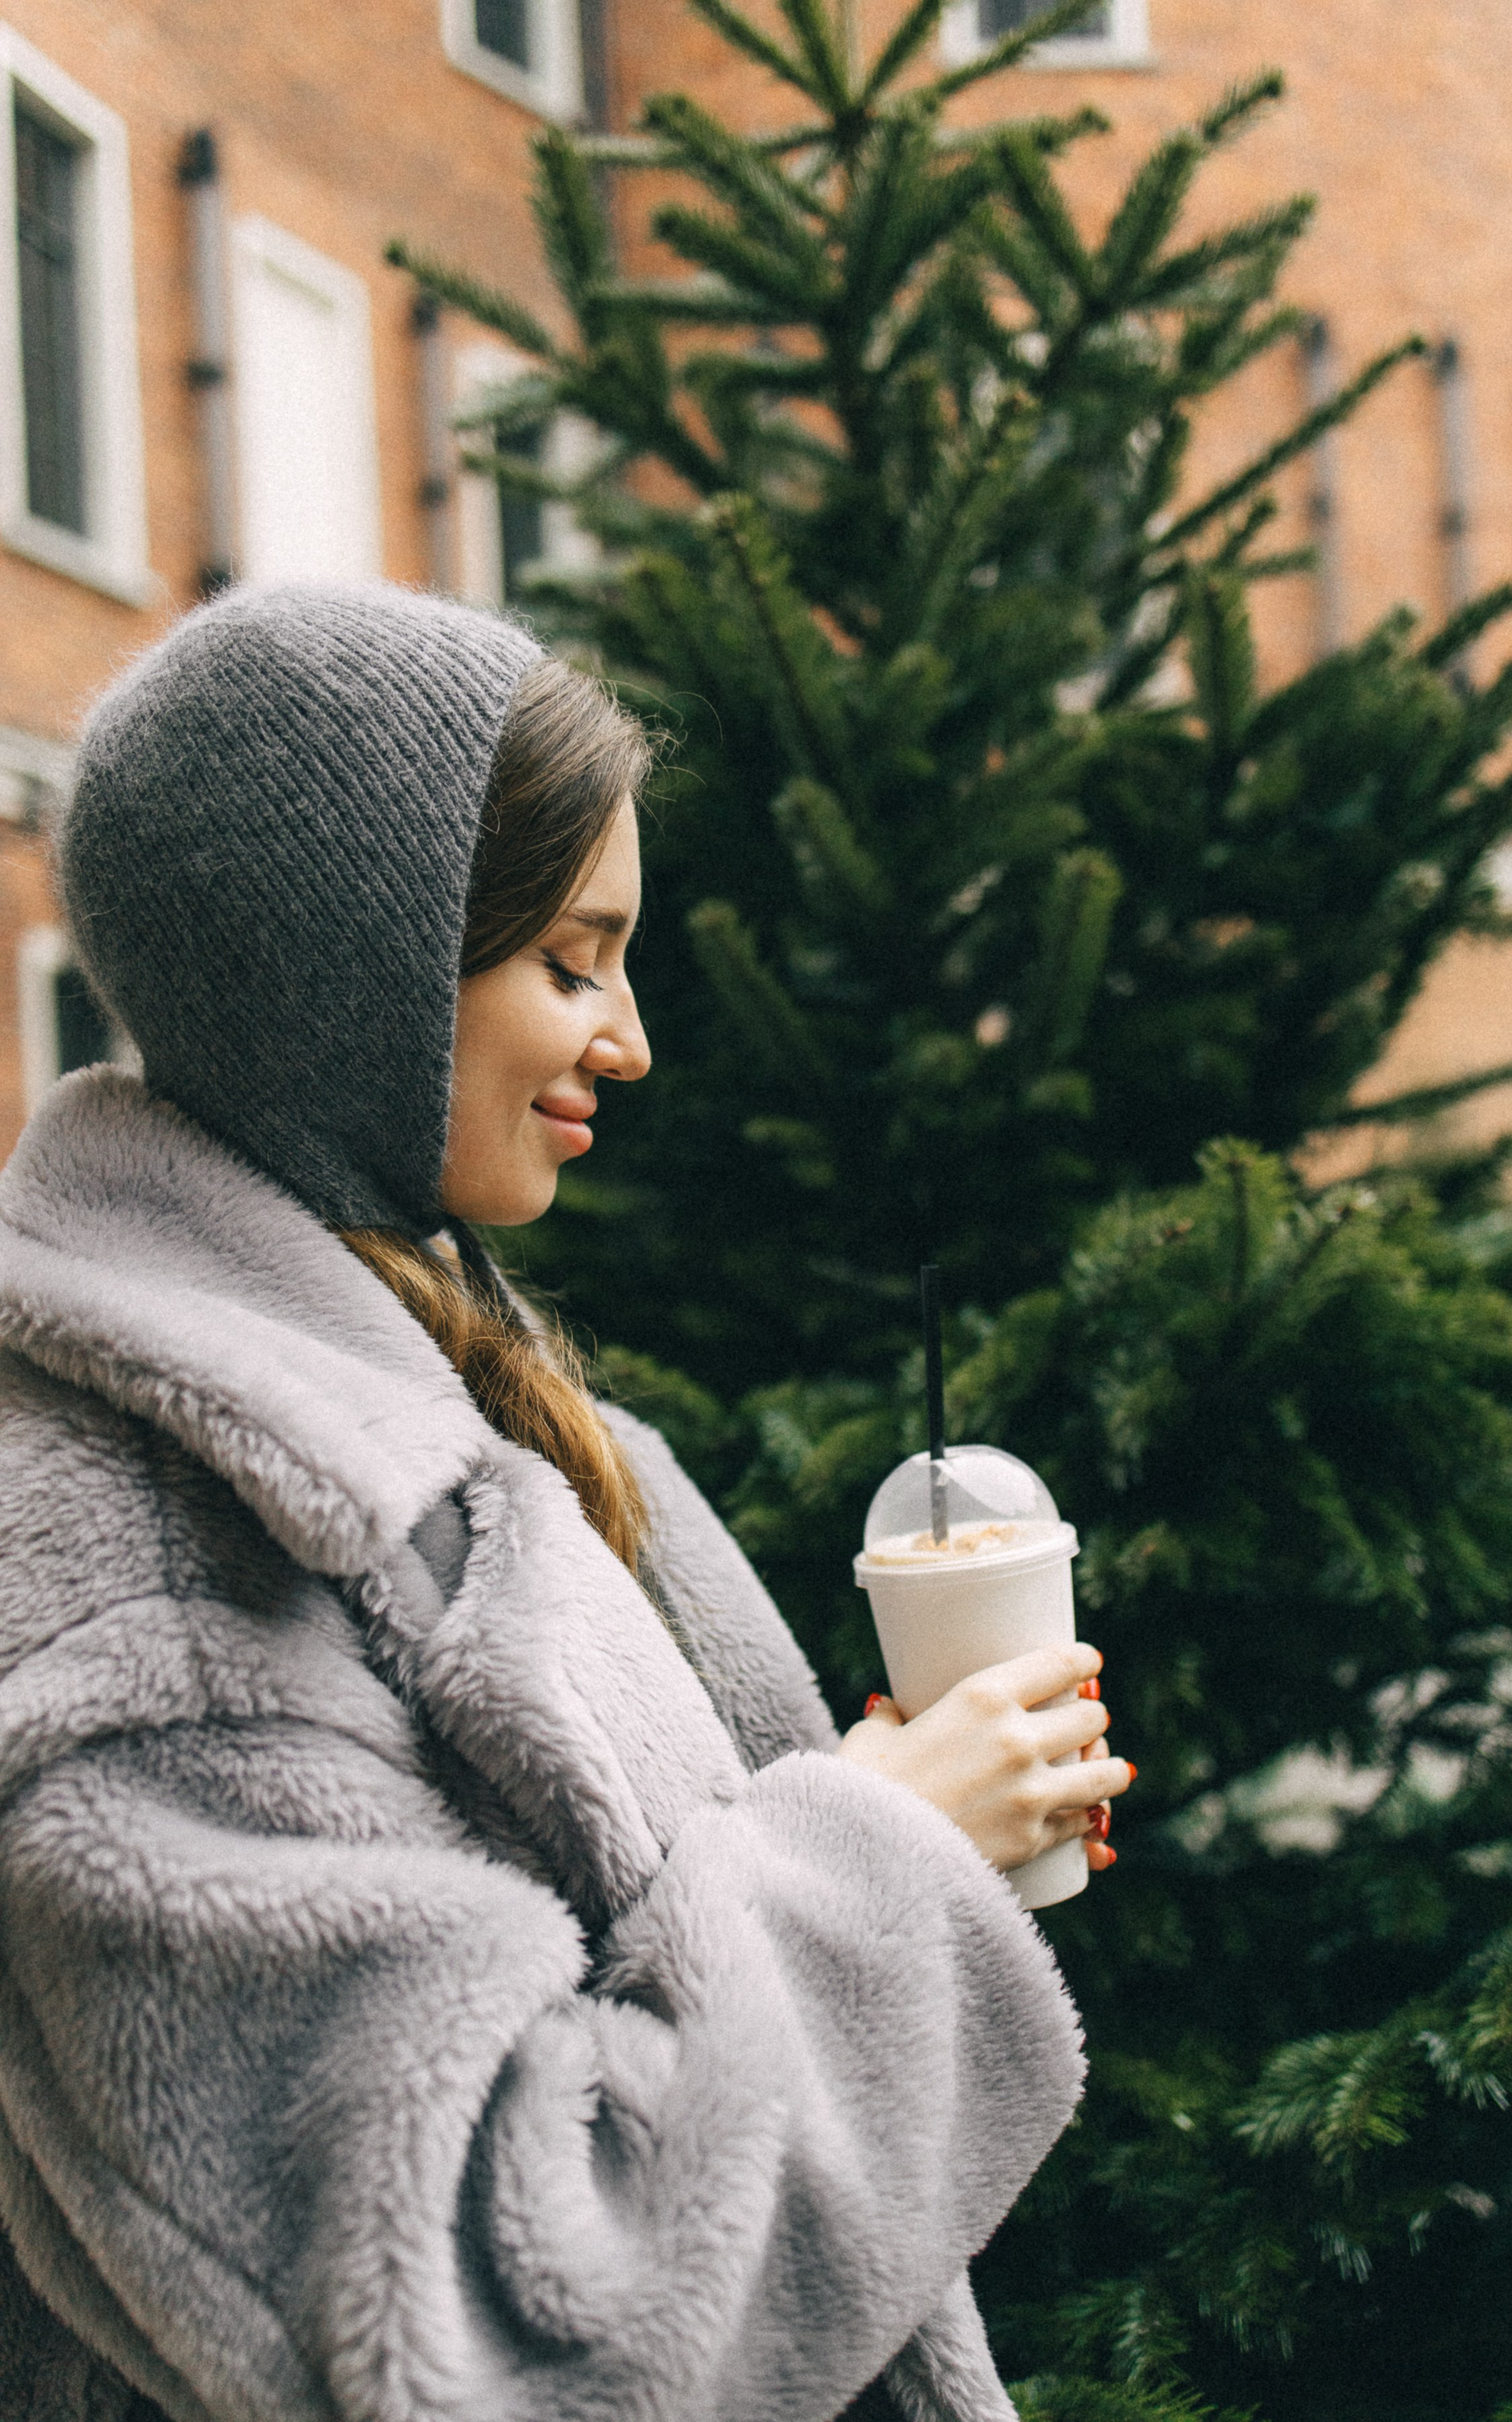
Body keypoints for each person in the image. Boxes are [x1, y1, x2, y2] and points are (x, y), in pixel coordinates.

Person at [0, 583, 1131, 2422]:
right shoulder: (148, 1567)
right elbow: (490, 2319)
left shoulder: (463, 1419)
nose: (633, 1043)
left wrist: (897, 1806)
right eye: (572, 961)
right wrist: (884, 1867)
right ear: (345, 974)